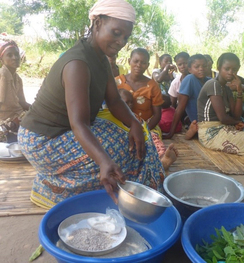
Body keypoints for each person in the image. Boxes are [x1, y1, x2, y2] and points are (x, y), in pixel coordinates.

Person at [18, 0, 165, 209]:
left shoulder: (101, 58)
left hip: (68, 129)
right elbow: (79, 123)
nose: (121, 41)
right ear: (97, 23)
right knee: (115, 154)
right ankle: (51, 188)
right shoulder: (78, 63)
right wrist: (104, 161)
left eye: (125, 37)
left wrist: (135, 124)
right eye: (115, 32)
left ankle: (144, 194)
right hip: (42, 140)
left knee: (138, 138)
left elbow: (114, 101)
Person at [114, 48, 178, 170]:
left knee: (152, 140)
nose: (139, 65)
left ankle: (163, 160)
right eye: (136, 61)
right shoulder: (117, 82)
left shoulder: (152, 85)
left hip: (147, 125)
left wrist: (143, 130)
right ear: (129, 61)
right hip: (120, 124)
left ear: (147, 65)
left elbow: (157, 115)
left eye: (143, 63)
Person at [117, 88, 179, 170]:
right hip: (125, 142)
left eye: (131, 102)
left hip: (138, 137)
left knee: (152, 137)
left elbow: (142, 127)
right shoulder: (111, 116)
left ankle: (163, 159)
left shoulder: (134, 116)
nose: (130, 105)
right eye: (126, 102)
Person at [163, 54, 210, 139]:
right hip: (201, 123)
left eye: (204, 66)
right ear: (190, 69)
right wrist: (171, 133)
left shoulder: (210, 81)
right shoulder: (190, 79)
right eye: (197, 66)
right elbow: (180, 107)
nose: (201, 69)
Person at [0, 40, 30, 123]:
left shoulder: (18, 79)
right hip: (7, 119)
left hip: (18, 115)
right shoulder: (3, 75)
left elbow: (22, 103)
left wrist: (39, 109)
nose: (15, 57)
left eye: (16, 54)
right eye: (9, 55)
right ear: (2, 59)